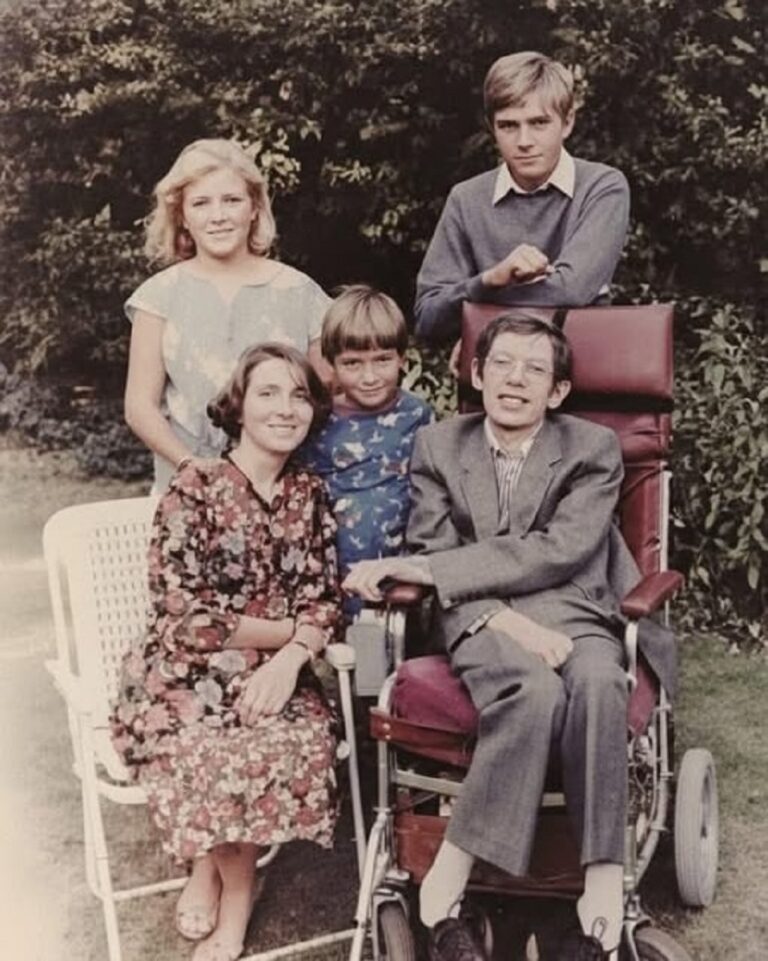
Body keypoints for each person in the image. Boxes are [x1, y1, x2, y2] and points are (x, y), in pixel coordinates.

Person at [343, 314, 645, 961]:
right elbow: (433, 542)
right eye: (502, 363)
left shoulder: (592, 449)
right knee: (532, 692)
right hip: (479, 615)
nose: (516, 378)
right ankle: (451, 874)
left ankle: (600, 883)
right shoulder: (439, 447)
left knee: (597, 680)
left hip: (573, 607)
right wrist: (503, 620)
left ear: (557, 392)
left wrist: (432, 571)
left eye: (536, 368)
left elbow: (561, 549)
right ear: (476, 374)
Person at [111, 343, 341, 961]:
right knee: (213, 751)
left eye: (299, 395)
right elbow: (186, 617)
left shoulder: (309, 495)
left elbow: (325, 603)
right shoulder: (196, 486)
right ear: (238, 406)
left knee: (283, 739)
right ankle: (234, 893)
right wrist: (287, 631)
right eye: (268, 392)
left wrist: (292, 662)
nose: (286, 409)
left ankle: (213, 873)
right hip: (183, 673)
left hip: (277, 670)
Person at [124, 138, 332, 493]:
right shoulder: (158, 297)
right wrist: (192, 466)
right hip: (189, 489)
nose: (218, 216)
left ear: (254, 208)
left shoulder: (302, 293)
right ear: (182, 216)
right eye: (201, 203)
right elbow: (139, 406)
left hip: (284, 489)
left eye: (232, 200)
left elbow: (326, 393)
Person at [414, 51, 630, 349]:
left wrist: (478, 315)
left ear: (567, 123)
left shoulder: (601, 186)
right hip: (495, 382)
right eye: (508, 125)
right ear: (492, 128)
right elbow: (428, 318)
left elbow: (572, 291)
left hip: (582, 367)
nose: (524, 141)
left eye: (539, 123)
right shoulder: (467, 199)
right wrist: (491, 278)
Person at [297, 285, 432, 615]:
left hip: (398, 566)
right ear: (331, 363)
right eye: (353, 363)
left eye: (383, 360)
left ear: (402, 357)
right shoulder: (317, 420)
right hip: (330, 568)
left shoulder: (417, 415)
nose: (369, 377)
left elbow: (432, 489)